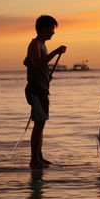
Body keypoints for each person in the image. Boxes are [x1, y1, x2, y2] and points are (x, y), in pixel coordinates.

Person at [23, 15, 66, 169]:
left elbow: (28, 62)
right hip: (36, 89)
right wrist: (55, 52)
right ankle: (34, 160)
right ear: (44, 28)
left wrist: (45, 76)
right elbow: (37, 63)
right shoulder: (35, 44)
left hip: (42, 88)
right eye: (52, 29)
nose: (53, 33)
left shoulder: (41, 45)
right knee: (39, 124)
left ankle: (39, 157)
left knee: (41, 124)